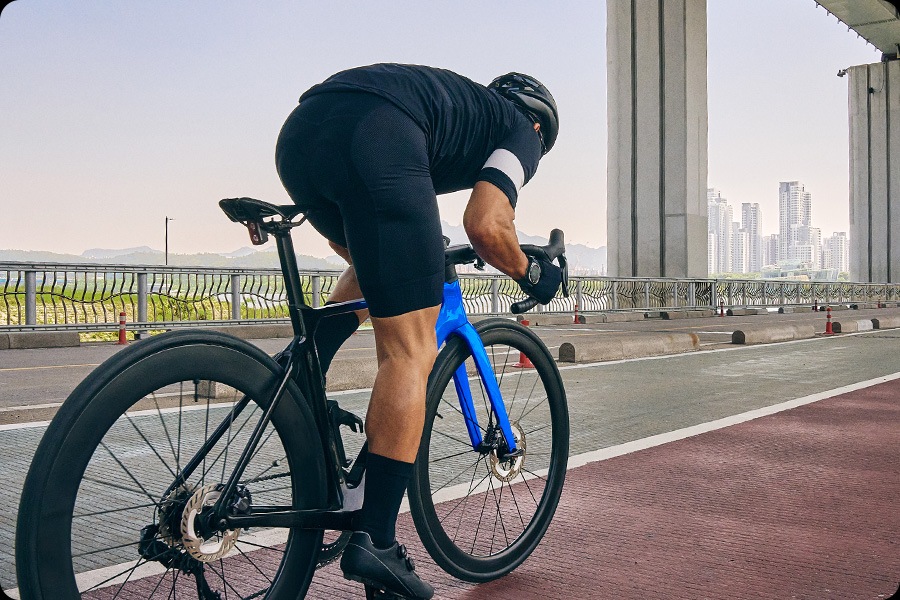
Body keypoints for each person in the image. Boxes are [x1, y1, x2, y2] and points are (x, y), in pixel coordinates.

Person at [274, 63, 561, 599]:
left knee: (378, 265)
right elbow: (486, 225)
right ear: (540, 128)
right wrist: (534, 271)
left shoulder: (459, 106)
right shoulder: (521, 129)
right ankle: (376, 542)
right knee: (412, 349)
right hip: (376, 133)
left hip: (302, 134)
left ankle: (295, 375)